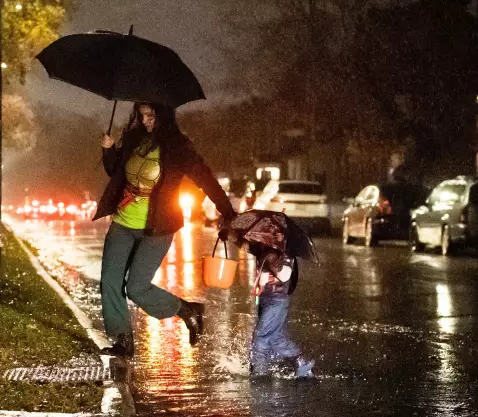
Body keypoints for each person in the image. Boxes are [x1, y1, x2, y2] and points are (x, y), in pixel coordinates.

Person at [93, 102, 236, 357]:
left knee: (137, 287)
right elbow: (115, 171)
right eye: (142, 115)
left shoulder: (178, 146)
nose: (146, 121)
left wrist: (228, 212)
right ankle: (122, 342)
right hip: (123, 222)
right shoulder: (136, 139)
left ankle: (187, 310)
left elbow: (205, 179)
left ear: (164, 115)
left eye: (151, 115)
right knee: (110, 282)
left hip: (158, 227)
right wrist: (108, 150)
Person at [250, 247, 314, 378]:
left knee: (261, 336)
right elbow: (249, 247)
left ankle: (259, 371)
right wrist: (229, 235)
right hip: (265, 300)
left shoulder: (284, 253)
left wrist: (271, 262)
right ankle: (301, 365)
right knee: (276, 337)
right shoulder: (263, 246)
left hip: (276, 302)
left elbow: (285, 275)